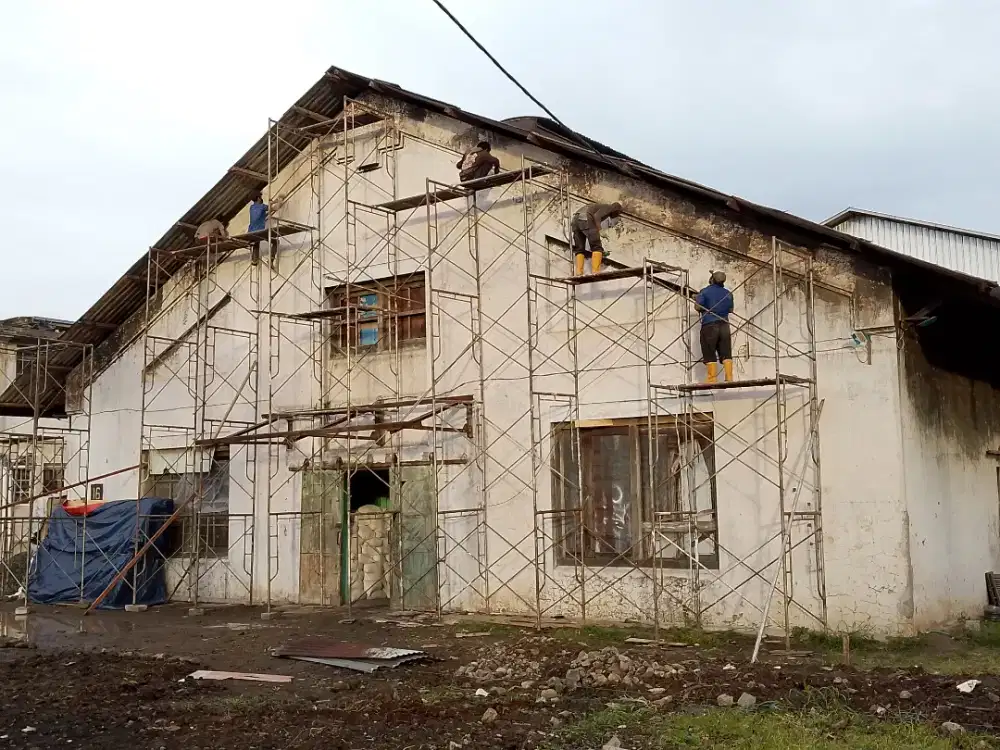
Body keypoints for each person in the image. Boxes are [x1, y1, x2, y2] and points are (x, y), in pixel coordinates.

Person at [695, 270, 734, 383]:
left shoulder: (705, 292)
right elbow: (730, 309)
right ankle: (729, 377)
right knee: (726, 351)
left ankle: (712, 378)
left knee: (709, 350)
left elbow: (698, 308)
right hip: (724, 325)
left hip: (709, 325)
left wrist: (697, 299)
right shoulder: (728, 293)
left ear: (712, 279)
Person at [570, 202, 623, 275]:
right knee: (597, 247)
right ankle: (596, 272)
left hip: (575, 220)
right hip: (585, 219)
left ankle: (579, 272)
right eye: (618, 213)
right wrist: (600, 230)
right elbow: (597, 216)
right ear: (615, 209)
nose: (616, 215)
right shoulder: (608, 207)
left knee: (579, 249)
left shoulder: (598, 206)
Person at [247, 192, 278, 265]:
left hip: (251, 232)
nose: (261, 198)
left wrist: (272, 204)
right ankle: (271, 260)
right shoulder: (262, 206)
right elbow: (274, 208)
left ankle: (254, 260)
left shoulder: (251, 207)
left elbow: (261, 216)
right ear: (258, 198)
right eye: (260, 197)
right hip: (259, 231)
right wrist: (278, 201)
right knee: (276, 242)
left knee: (256, 242)